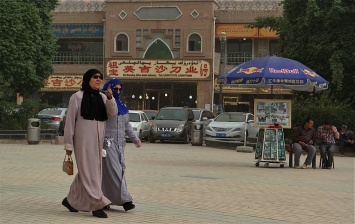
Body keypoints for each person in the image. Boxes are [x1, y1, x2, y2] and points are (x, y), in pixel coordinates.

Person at [61, 69, 118, 218]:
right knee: (91, 172)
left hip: (98, 141)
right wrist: (68, 145)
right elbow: (70, 123)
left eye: (100, 77)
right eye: (95, 77)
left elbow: (112, 113)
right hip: (82, 141)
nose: (99, 79)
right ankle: (97, 204)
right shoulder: (77, 97)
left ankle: (70, 200)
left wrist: (111, 98)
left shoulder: (103, 97)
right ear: (87, 79)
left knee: (89, 171)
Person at [101, 78, 142, 212]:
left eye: (120, 89)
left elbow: (127, 125)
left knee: (110, 173)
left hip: (120, 145)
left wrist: (135, 139)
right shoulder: (104, 102)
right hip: (107, 143)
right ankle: (126, 200)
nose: (117, 91)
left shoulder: (123, 105)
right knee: (115, 171)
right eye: (115, 89)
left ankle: (103, 199)